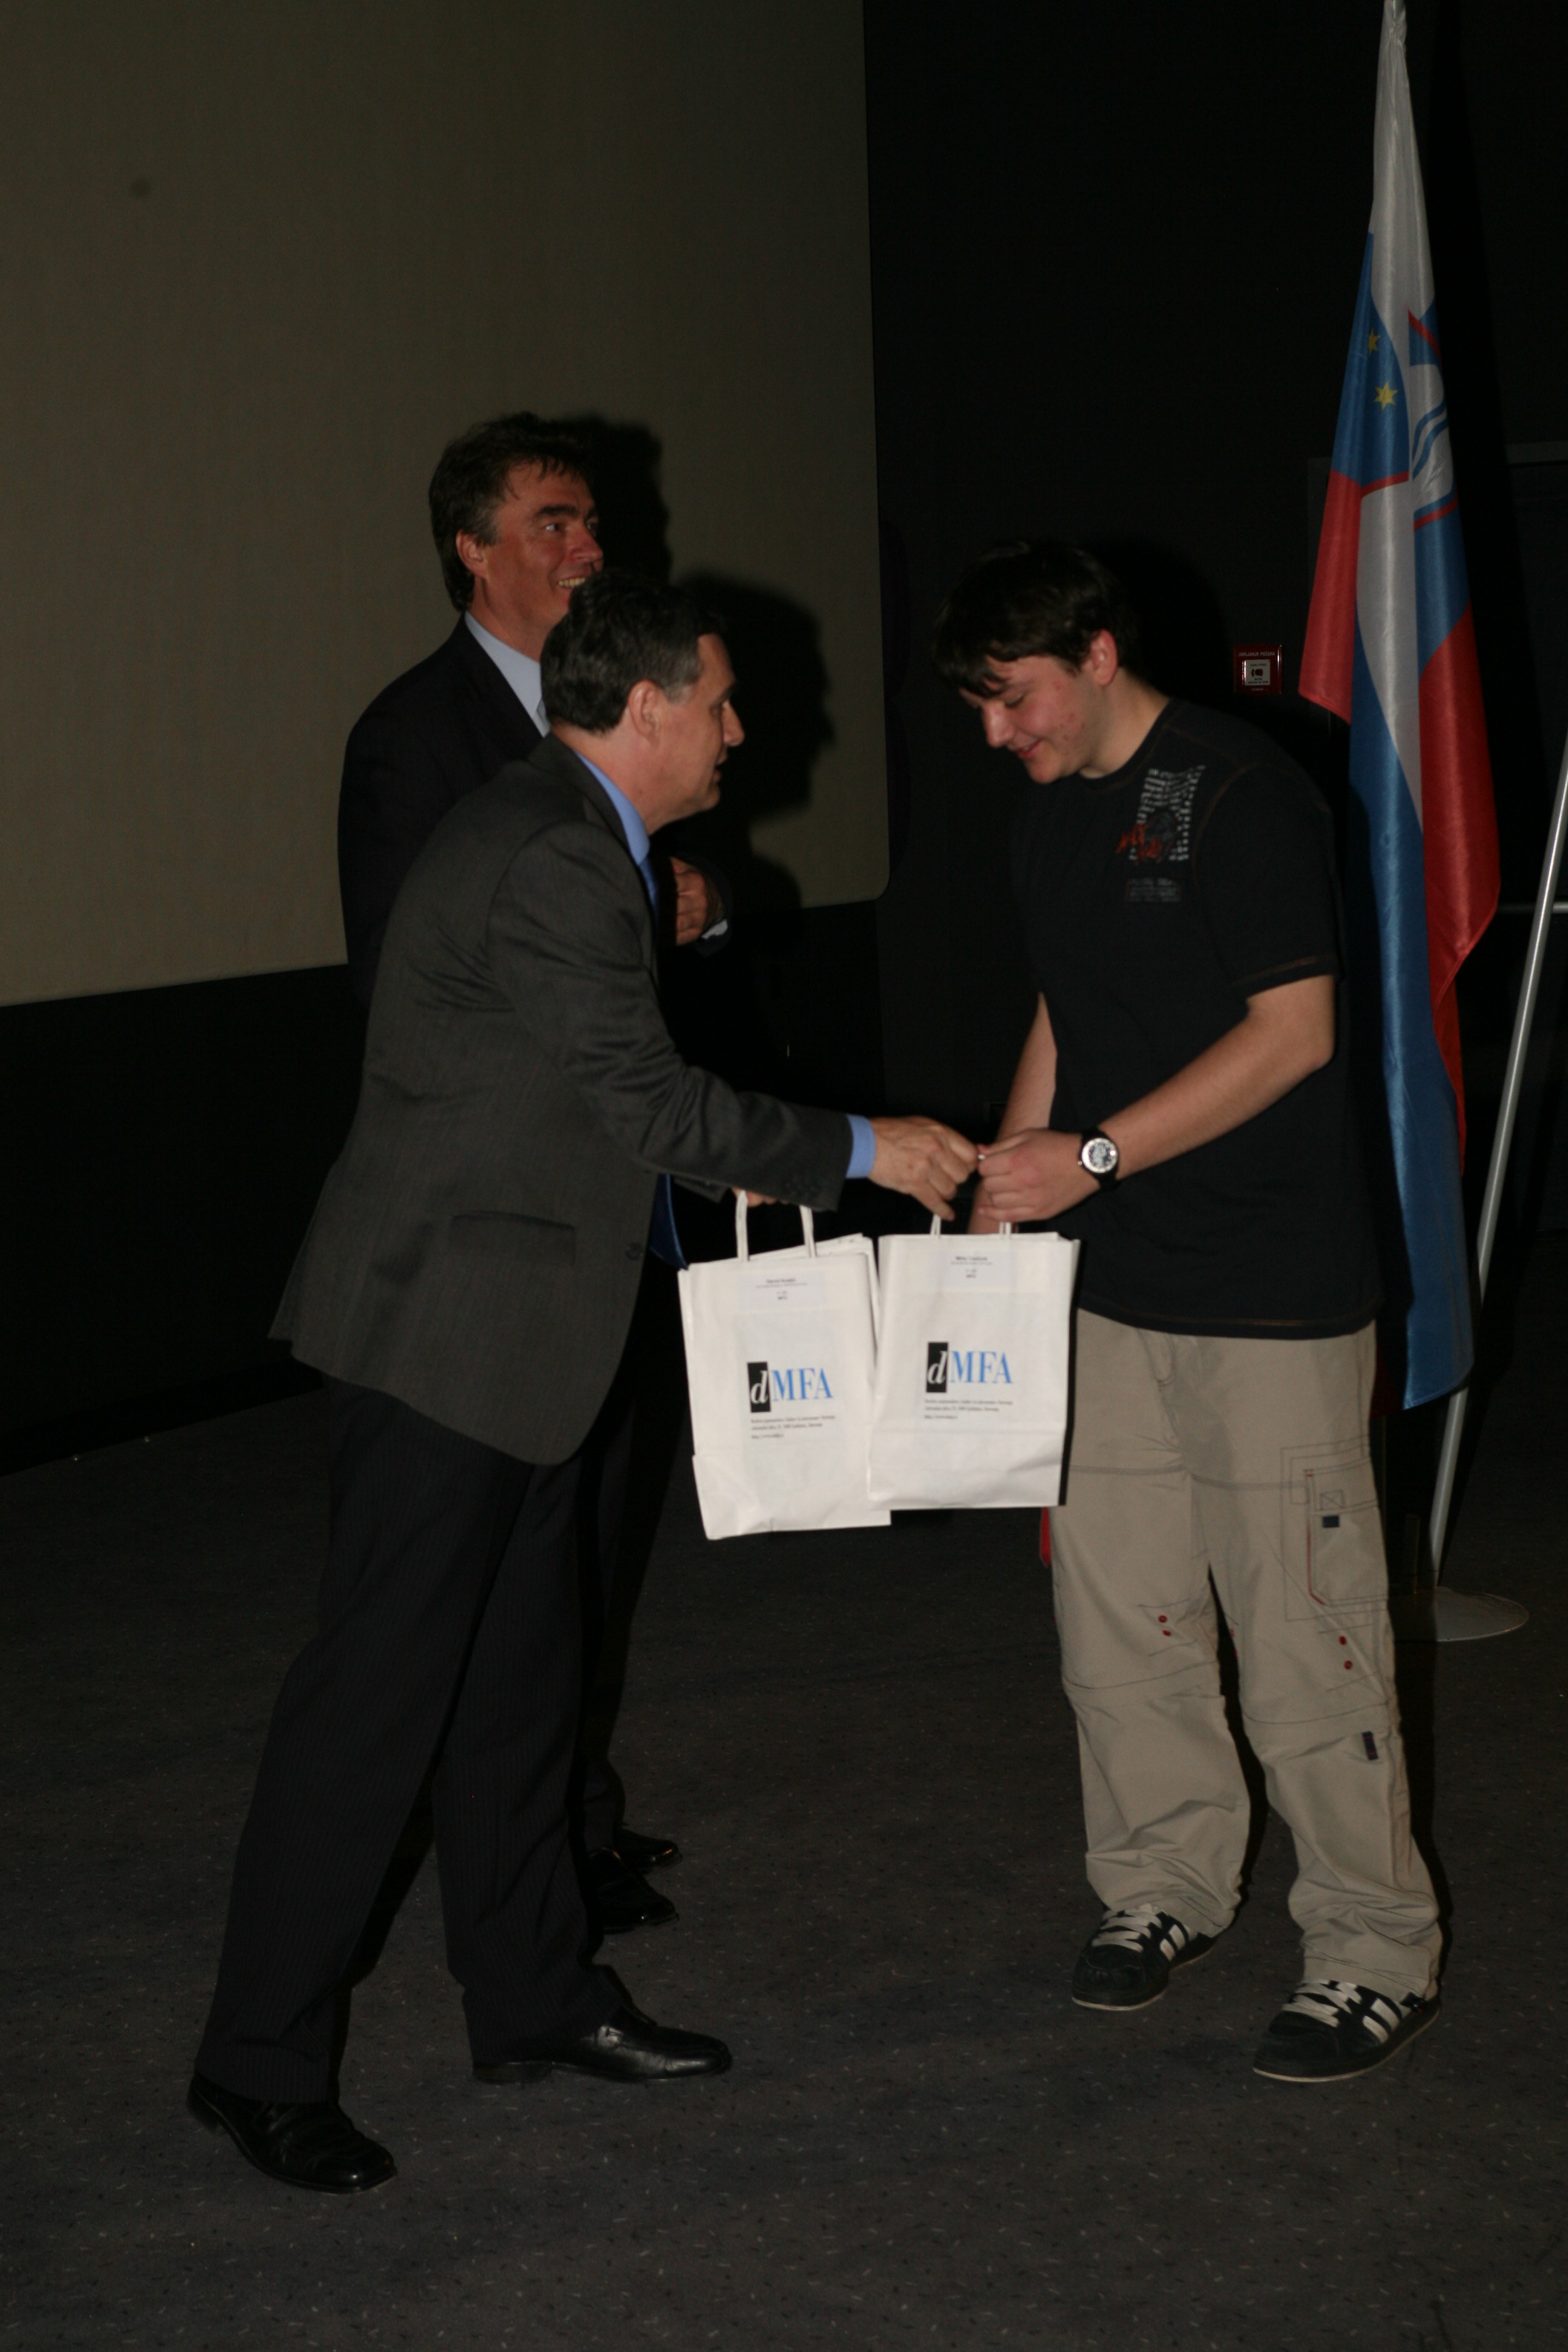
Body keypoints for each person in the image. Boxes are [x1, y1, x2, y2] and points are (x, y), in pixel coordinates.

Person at [189, 572, 976, 2192]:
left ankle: (535, 1998)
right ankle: (253, 2063)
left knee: (521, 1698)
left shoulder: (575, 836)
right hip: (447, 1338)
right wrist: (864, 1147)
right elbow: (650, 1104)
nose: (742, 732)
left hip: (534, 1335)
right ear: (649, 708)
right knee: (372, 1712)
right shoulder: (555, 849)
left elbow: (581, 1091)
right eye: (723, 702)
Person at [934, 539, 1441, 2085]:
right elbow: (1065, 1003)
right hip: (1107, 1293)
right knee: (1121, 1631)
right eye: (977, 706)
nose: (996, 734)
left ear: (1098, 654)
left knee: (1307, 1644)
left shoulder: (1240, 792)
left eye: (1014, 698)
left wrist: (1088, 1158)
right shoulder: (1048, 813)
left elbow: (1296, 1035)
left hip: (1269, 1297)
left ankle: (1372, 1950)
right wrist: (1009, 1188)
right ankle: (1164, 1883)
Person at [339, 411, 725, 1935]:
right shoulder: (413, 736)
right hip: (495, 1232)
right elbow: (407, 971)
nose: (588, 547)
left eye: (591, 522)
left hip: (618, 1199)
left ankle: (569, 1823)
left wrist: (695, 912)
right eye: (555, 522)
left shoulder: (624, 712)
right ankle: (523, 1849)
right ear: (471, 547)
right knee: (456, 1599)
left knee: (591, 1534)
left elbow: (657, 937)